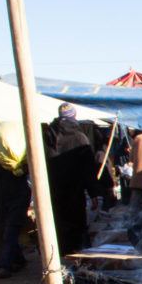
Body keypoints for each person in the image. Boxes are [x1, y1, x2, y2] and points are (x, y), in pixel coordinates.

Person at [45, 103, 97, 255]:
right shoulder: (80, 138)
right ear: (74, 116)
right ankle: (74, 257)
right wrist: (93, 193)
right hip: (75, 190)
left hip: (53, 190)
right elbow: (88, 169)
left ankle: (58, 254)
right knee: (76, 224)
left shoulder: (47, 137)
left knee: (58, 223)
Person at [0, 127, 31, 278]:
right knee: (6, 232)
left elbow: (24, 171)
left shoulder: (10, 158)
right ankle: (19, 260)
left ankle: (4, 266)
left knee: (10, 231)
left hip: (18, 197)